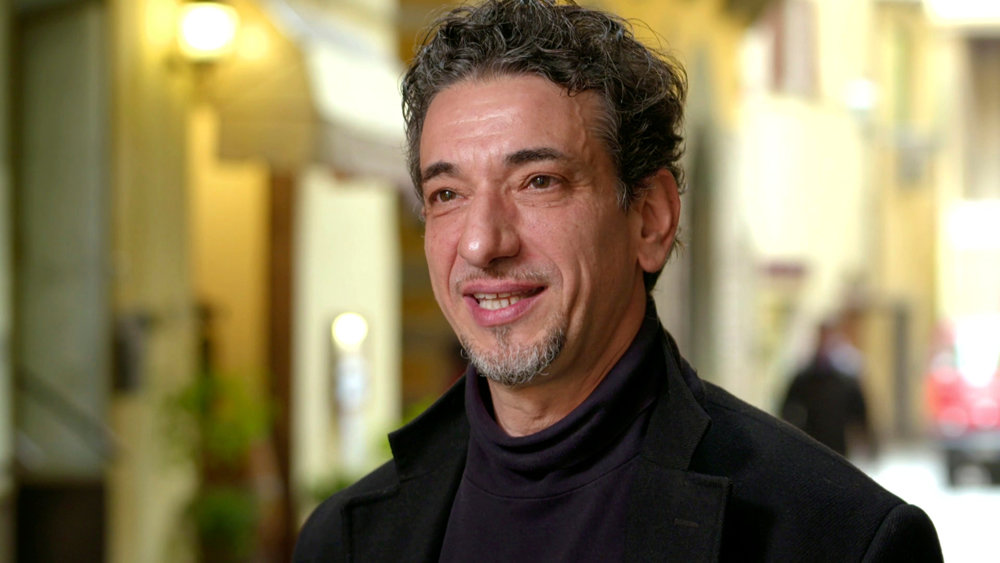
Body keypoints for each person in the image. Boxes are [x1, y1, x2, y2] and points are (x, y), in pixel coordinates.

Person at [294, 0, 942, 560]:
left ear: (650, 218)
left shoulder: (840, 538)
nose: (482, 242)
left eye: (538, 181)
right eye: (447, 193)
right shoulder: (344, 539)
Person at [781, 320, 877, 458]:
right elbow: (788, 407)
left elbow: (859, 411)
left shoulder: (845, 377)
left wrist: (867, 440)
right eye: (822, 337)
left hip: (838, 444)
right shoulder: (805, 376)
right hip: (812, 441)